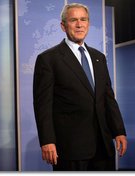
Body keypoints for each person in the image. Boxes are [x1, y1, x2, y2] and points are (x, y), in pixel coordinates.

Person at [33, 3, 127, 171]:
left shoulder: (99, 57)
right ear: (63, 26)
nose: (79, 24)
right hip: (70, 149)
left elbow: (107, 97)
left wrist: (119, 131)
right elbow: (43, 105)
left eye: (83, 19)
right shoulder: (48, 59)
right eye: (73, 20)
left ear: (88, 24)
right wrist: (47, 140)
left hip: (103, 147)